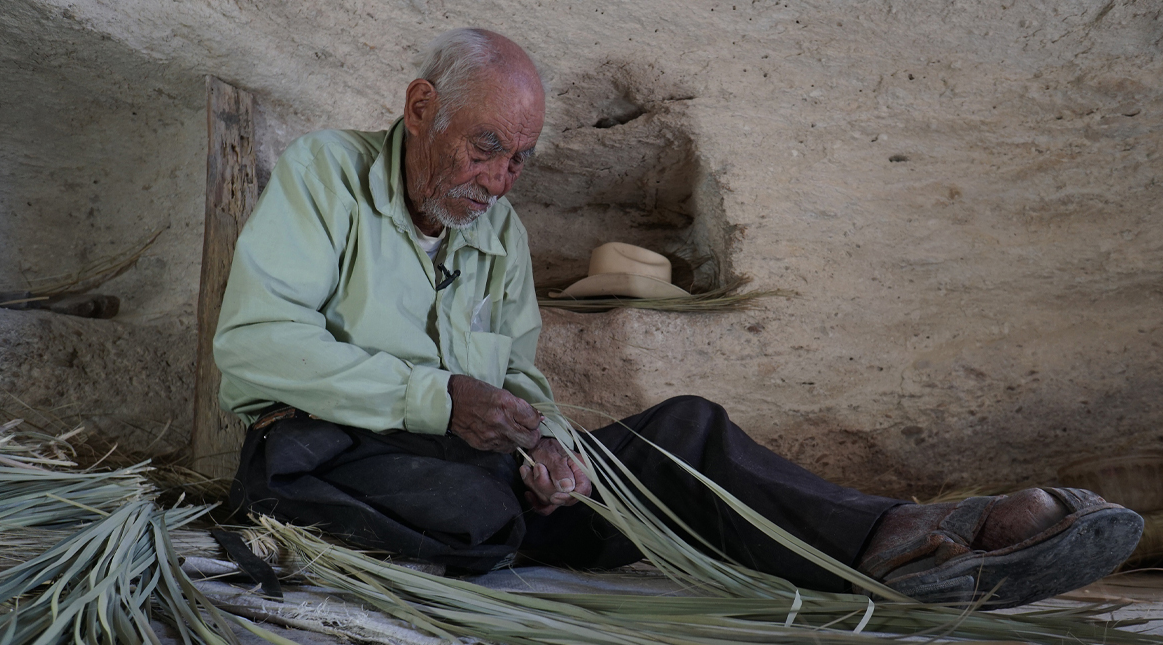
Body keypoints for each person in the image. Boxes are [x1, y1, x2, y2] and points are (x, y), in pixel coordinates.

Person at [214, 28, 1142, 608]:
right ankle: (479, 517)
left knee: (683, 431)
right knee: (465, 503)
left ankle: (904, 544)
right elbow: (256, 346)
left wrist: (550, 447)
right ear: (421, 109)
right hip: (322, 456)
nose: (498, 180)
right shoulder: (325, 176)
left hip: (468, 473)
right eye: (484, 146)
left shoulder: (496, 233)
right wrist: (433, 397)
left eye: (519, 160)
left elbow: (522, 378)